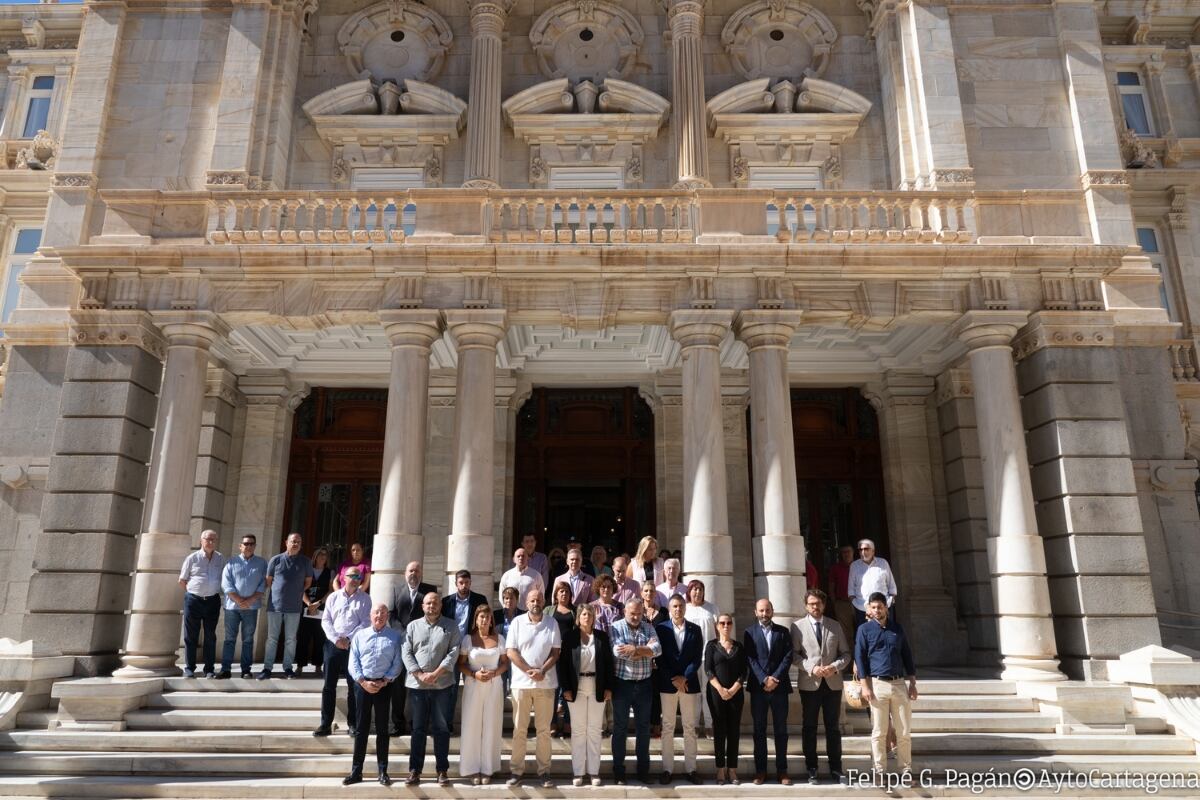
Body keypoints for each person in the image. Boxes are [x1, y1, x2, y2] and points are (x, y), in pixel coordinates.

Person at [402, 593, 462, 787]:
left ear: (440, 605)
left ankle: (442, 770)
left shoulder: (451, 626)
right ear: (422, 606)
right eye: (428, 603)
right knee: (418, 728)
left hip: (442, 685)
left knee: (441, 729)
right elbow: (406, 652)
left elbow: (454, 652)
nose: (432, 606)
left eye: (435, 603)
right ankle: (414, 771)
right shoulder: (412, 626)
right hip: (417, 686)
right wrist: (420, 674)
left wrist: (436, 673)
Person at [856, 591, 917, 777]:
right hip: (877, 685)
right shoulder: (864, 630)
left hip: (898, 683)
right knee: (879, 731)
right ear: (869, 609)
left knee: (904, 731)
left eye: (880, 607)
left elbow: (907, 655)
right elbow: (860, 658)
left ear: (886, 608)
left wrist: (912, 683)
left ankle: (906, 770)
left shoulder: (897, 628)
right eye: (873, 607)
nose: (877, 610)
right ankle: (880, 771)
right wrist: (865, 686)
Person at [506, 588, 561, 788]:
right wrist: (530, 670)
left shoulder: (552, 622)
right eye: (532, 600)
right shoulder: (517, 622)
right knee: (519, 729)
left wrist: (542, 671)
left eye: (538, 599)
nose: (535, 603)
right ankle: (516, 771)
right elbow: (511, 651)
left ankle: (544, 771)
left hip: (546, 684)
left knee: (544, 730)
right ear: (526, 602)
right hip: (521, 684)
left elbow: (556, 652)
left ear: (544, 601)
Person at [794, 588, 850, 784]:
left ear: (824, 605)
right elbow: (794, 655)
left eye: (818, 604)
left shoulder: (835, 626)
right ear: (806, 606)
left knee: (832, 728)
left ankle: (836, 767)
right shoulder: (797, 627)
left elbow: (846, 654)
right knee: (809, 727)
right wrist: (811, 668)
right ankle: (812, 768)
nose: (815, 607)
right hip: (810, 684)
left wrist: (834, 667)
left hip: (832, 684)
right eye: (811, 604)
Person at [344, 602, 402, 787]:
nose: (380, 616)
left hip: (384, 686)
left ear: (387, 616)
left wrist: (385, 681)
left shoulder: (394, 637)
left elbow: (397, 662)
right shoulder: (360, 635)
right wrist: (362, 682)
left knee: (383, 730)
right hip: (362, 686)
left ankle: (383, 771)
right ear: (370, 615)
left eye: (383, 613)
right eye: (377, 613)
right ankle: (356, 771)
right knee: (361, 729)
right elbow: (353, 662)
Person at [557, 603, 614, 787]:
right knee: (579, 730)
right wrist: (565, 688)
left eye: (589, 614)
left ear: (593, 617)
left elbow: (608, 664)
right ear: (578, 618)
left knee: (595, 730)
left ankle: (594, 772)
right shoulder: (570, 637)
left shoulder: (602, 637)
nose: (586, 617)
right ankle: (579, 772)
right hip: (576, 687)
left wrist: (608, 688)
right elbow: (563, 665)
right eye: (583, 614)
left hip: (597, 686)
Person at [609, 597, 661, 785]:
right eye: (632, 613)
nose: (636, 616)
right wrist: (644, 652)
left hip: (644, 685)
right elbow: (618, 651)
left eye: (639, 613)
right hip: (622, 685)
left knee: (643, 729)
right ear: (625, 611)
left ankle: (643, 770)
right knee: (620, 728)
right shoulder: (615, 627)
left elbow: (657, 649)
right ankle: (618, 770)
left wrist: (635, 649)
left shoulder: (648, 627)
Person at [313, 568, 371, 737]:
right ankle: (325, 724)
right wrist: (336, 639)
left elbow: (366, 622)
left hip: (353, 646)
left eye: (358, 576)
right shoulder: (333, 597)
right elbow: (326, 620)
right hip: (333, 645)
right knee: (329, 686)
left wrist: (349, 638)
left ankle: (352, 724)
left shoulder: (365, 599)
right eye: (352, 576)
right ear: (343, 578)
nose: (355, 579)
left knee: (353, 686)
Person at [656, 595, 704, 784]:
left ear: (685, 608)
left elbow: (696, 656)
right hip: (668, 684)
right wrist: (673, 679)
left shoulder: (695, 629)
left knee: (689, 727)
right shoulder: (661, 629)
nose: (678, 609)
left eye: (681, 606)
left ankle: (691, 769)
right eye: (674, 606)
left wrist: (685, 677)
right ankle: (667, 769)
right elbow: (659, 657)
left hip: (688, 684)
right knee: (667, 727)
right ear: (669, 609)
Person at [744, 597, 793, 785]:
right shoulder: (749, 632)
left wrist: (775, 678)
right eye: (761, 611)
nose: (764, 614)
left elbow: (788, 657)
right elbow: (750, 658)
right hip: (758, 689)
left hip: (780, 689)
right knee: (759, 731)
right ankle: (760, 771)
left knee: (781, 730)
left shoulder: (783, 632)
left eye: (767, 610)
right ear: (755, 612)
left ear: (772, 611)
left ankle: (782, 771)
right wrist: (764, 679)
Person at [458, 603, 508, 785]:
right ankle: (472, 769)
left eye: (488, 617)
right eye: (481, 617)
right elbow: (461, 663)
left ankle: (488, 768)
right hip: (473, 685)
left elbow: (505, 663)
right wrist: (474, 674)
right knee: (472, 725)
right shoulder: (467, 640)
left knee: (491, 725)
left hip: (494, 686)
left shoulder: (500, 638)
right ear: (476, 619)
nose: (485, 620)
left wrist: (494, 673)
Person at [390, 560, 435, 736]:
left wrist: (416, 635)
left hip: (422, 646)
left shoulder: (429, 590)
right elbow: (392, 616)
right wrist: (404, 634)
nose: (413, 574)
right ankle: (398, 723)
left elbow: (433, 614)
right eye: (410, 571)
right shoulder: (396, 590)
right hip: (402, 645)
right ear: (405, 573)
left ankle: (418, 723)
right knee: (399, 686)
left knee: (419, 686)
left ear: (421, 573)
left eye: (417, 571)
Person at [441, 569, 488, 734]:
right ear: (456, 584)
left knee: (474, 687)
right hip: (452, 651)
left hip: (472, 649)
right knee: (451, 689)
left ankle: (474, 726)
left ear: (470, 583)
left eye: (467, 582)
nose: (464, 586)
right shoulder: (446, 602)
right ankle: (447, 724)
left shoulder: (480, 600)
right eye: (461, 583)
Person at [261, 532, 313, 680]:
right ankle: (267, 668)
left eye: (298, 542)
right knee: (272, 638)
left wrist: (296, 592)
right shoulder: (275, 560)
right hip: (275, 606)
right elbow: (269, 580)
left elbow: (308, 582)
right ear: (286, 542)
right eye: (293, 541)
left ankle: (288, 668)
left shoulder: (306, 561)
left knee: (291, 639)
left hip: (294, 607)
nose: (296, 544)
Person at [177, 529, 225, 678]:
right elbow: (182, 580)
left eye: (213, 540)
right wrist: (194, 593)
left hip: (212, 601)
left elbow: (224, 578)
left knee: (210, 636)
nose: (210, 542)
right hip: (194, 600)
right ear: (201, 541)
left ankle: (209, 669)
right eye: (207, 539)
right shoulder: (192, 558)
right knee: (191, 635)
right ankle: (190, 668)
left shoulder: (220, 558)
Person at [706, 612, 747, 785]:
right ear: (717, 626)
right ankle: (720, 769)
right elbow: (708, 669)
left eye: (729, 623)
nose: (725, 626)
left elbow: (744, 672)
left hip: (736, 694)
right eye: (722, 623)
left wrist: (733, 689)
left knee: (734, 731)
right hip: (716, 693)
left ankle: (732, 769)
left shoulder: (739, 646)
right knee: (720, 730)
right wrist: (721, 689)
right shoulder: (711, 645)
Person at [218, 535, 267, 679]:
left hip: (251, 608)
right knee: (229, 639)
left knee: (248, 640)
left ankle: (246, 670)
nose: (249, 546)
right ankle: (225, 669)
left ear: (255, 546)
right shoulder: (231, 562)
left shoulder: (261, 563)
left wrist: (250, 600)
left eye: (252, 544)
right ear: (240, 546)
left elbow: (263, 584)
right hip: (232, 607)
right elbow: (226, 584)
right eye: (246, 544)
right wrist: (239, 600)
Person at [684, 579, 718, 735]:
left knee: (708, 691)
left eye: (700, 589)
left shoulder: (712, 608)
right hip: (691, 657)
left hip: (708, 656)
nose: (697, 592)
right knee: (693, 693)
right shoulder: (685, 609)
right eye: (694, 589)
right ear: (689, 591)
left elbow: (719, 633)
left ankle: (710, 724)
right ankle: (695, 724)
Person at [298, 547, 333, 676]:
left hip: (321, 608)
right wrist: (308, 603)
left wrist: (318, 603)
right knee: (303, 638)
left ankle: (318, 666)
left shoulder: (330, 572)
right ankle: (300, 666)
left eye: (325, 555)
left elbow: (330, 590)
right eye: (320, 555)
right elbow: (301, 588)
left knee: (320, 638)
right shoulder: (307, 570)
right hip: (306, 607)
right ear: (315, 557)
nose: (323, 557)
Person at [849, 539, 898, 629]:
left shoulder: (883, 563)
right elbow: (851, 591)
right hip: (862, 610)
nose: (863, 552)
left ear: (873, 551)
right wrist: (860, 606)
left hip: (884, 608)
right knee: (866, 638)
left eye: (866, 549)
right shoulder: (854, 566)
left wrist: (887, 604)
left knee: (887, 635)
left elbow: (892, 587)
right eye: (860, 549)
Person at [549, 580, 576, 737]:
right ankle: (552, 722)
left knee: (568, 688)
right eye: (561, 591)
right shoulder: (549, 610)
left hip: (570, 654)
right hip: (552, 654)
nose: (564, 594)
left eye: (566, 591)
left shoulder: (575, 611)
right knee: (553, 689)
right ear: (556, 594)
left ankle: (567, 722)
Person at [639, 579, 665, 735]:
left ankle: (655, 724)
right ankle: (643, 725)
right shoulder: (636, 611)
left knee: (656, 692)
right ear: (642, 593)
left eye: (651, 591)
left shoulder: (663, 613)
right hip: (641, 659)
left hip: (658, 659)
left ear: (656, 594)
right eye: (646, 590)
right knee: (642, 693)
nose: (649, 593)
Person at [499, 548, 545, 612]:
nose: (521, 558)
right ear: (514, 559)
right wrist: (507, 609)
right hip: (511, 612)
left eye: (523, 556)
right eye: (518, 556)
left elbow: (541, 594)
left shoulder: (536, 575)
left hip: (529, 613)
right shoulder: (507, 575)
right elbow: (501, 595)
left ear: (528, 558)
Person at [827, 545, 856, 639]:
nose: (846, 554)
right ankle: (850, 653)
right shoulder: (836, 568)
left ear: (853, 552)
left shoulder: (859, 566)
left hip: (860, 602)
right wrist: (835, 602)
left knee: (862, 627)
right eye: (844, 552)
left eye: (848, 551)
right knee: (846, 632)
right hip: (842, 603)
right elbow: (831, 586)